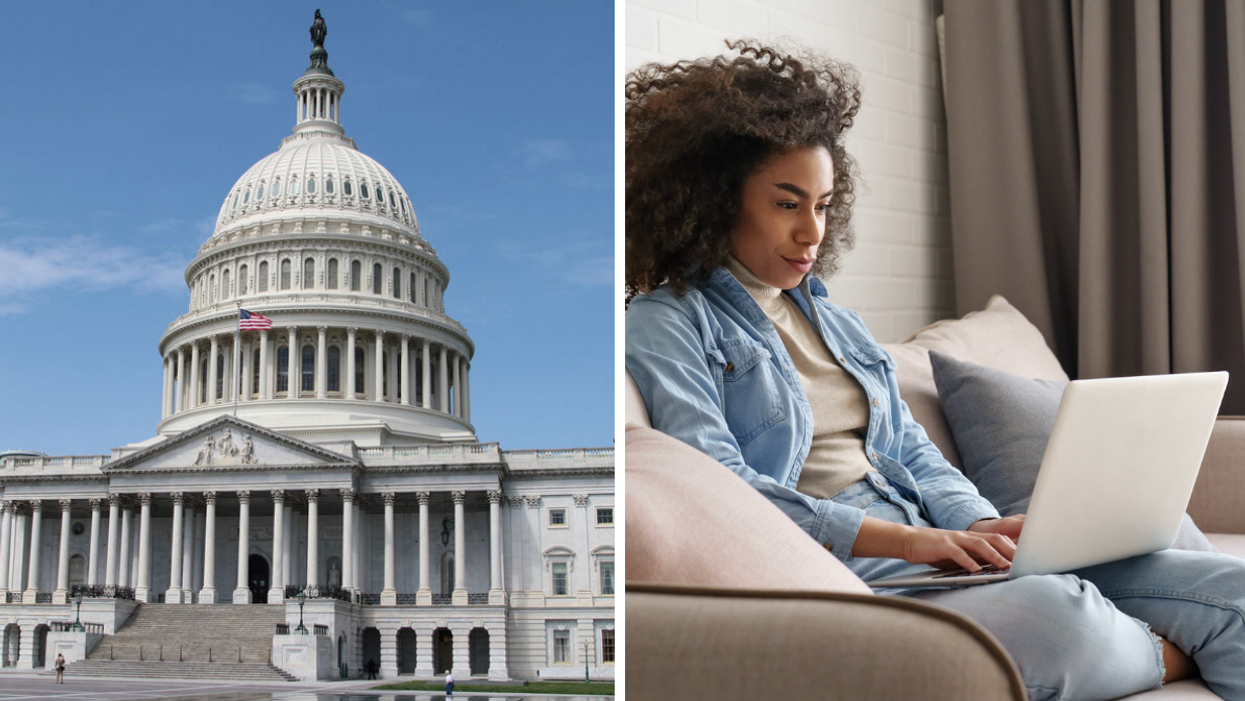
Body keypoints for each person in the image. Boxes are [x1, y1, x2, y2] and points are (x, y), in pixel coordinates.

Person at [625, 41, 1245, 701]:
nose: (812, 231)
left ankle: (1133, 634)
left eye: (824, 204)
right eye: (787, 203)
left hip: (934, 542)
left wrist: (976, 525)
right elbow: (727, 493)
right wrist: (910, 543)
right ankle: (1169, 656)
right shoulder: (666, 321)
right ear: (715, 200)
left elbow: (909, 449)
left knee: (1231, 589)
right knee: (1064, 619)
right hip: (855, 569)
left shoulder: (830, 318)